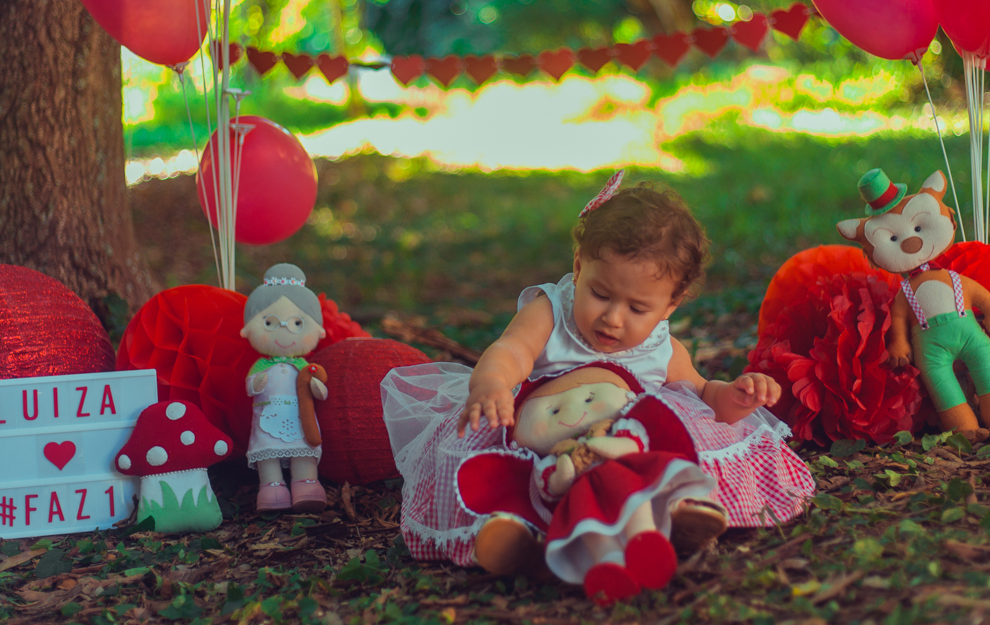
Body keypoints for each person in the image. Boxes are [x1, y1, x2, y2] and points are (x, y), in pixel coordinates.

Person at [381, 172, 815, 574]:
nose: (613, 317)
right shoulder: (551, 312)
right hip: (545, 443)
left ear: (671, 305)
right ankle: (517, 538)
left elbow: (703, 395)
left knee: (685, 433)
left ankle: (674, 511)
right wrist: (492, 382)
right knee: (496, 468)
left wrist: (737, 396)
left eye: (637, 308)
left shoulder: (662, 348)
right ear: (577, 266)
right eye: (600, 294)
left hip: (619, 451)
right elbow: (511, 351)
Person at [455, 364, 719, 605]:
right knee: (590, 526)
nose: (571, 413)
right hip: (582, 494)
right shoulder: (555, 457)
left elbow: (633, 443)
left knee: (636, 500)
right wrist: (565, 471)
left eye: (590, 398)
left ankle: (647, 540)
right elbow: (550, 485)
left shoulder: (617, 427)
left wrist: (604, 445)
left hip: (622, 478)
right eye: (555, 410)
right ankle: (607, 565)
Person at [242, 264, 330, 513]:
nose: (284, 331)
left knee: (303, 449)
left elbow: (319, 392)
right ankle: (271, 488)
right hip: (267, 418)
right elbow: (250, 386)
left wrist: (316, 387)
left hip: (299, 419)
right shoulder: (261, 365)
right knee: (267, 453)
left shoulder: (304, 367)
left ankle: (306, 483)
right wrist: (256, 383)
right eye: (270, 322)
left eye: (297, 323)